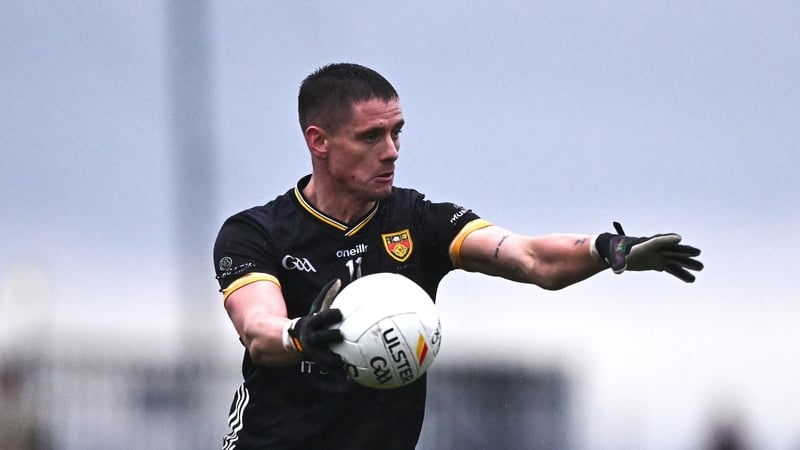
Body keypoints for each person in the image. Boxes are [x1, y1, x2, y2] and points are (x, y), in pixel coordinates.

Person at [212, 62, 703, 450]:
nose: (392, 151)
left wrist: (605, 249)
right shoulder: (257, 233)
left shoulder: (418, 221)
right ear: (318, 141)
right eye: (371, 137)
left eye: (397, 132)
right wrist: (299, 334)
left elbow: (529, 257)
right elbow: (259, 329)